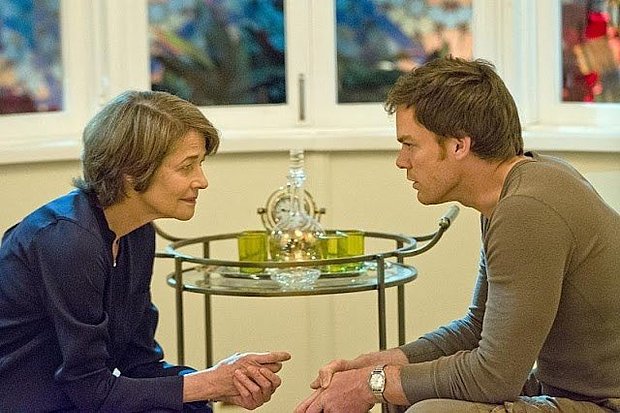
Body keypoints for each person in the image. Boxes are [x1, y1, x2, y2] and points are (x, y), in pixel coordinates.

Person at [295, 56, 620, 413]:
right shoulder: (517, 190)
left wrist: (372, 384)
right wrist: (373, 366)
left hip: (604, 403)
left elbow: (494, 377)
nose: (401, 161)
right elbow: (476, 330)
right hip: (564, 390)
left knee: (429, 410)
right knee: (405, 392)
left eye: (410, 144)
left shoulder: (527, 209)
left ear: (458, 145)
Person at [0, 90, 291, 412]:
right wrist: (210, 383)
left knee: (191, 406)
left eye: (200, 165)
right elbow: (89, 388)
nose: (202, 181)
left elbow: (140, 363)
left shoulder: (136, 232)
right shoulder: (68, 241)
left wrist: (224, 384)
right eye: (187, 167)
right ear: (132, 170)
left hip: (73, 398)